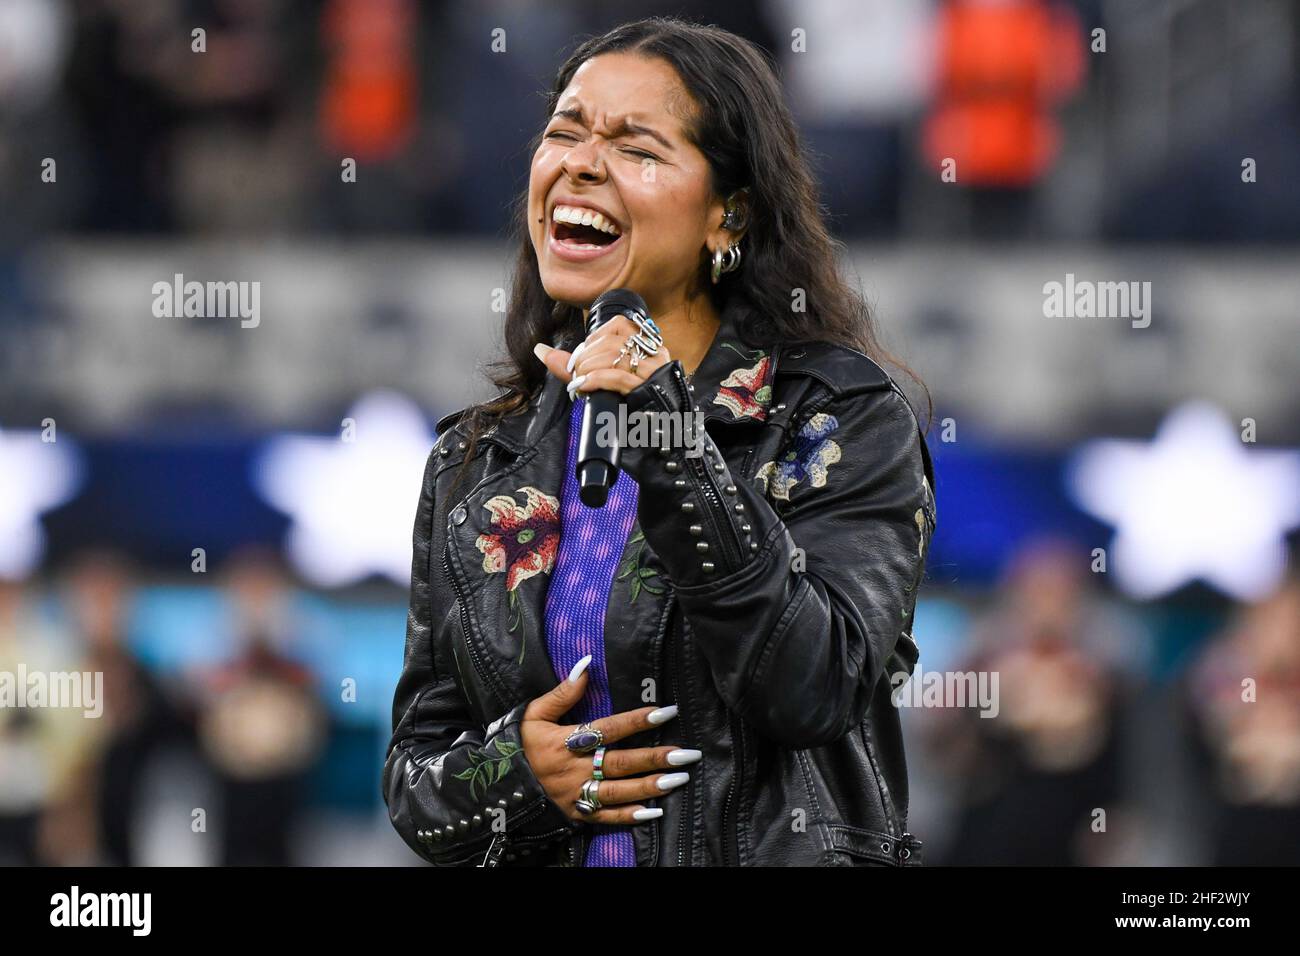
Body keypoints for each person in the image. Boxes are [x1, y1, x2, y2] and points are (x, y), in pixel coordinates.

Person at [383, 16, 936, 866]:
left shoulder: (837, 417)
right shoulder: (475, 462)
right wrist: (518, 775)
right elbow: (414, 769)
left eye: (637, 148)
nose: (581, 162)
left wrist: (670, 438)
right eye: (565, 131)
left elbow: (813, 689)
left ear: (729, 216)